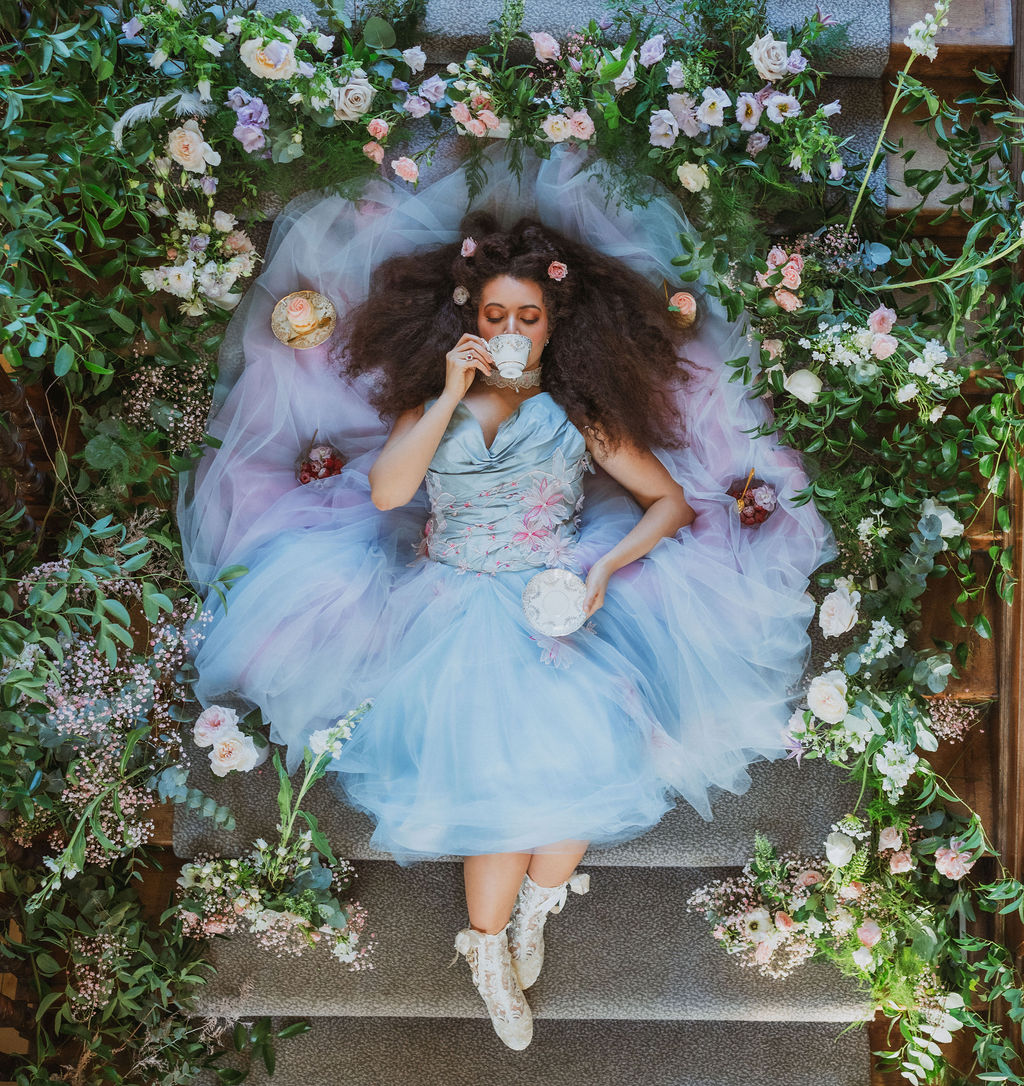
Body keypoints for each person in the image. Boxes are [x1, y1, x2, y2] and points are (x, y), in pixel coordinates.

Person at [178, 145, 834, 1052]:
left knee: (584, 773)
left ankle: (536, 908)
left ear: (553, 323)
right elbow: (388, 494)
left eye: (529, 315)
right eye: (497, 314)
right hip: (453, 603)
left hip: (552, 598)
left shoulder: (581, 413)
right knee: (497, 791)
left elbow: (670, 504)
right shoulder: (429, 405)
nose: (513, 327)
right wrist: (452, 389)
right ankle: (486, 955)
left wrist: (602, 573)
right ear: (472, 319)